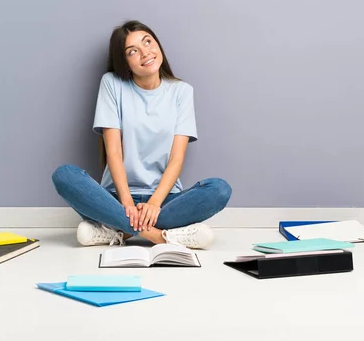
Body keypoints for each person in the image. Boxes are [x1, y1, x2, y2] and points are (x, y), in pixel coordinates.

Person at [51, 20, 232, 249]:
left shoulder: (181, 91)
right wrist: (126, 203)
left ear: (157, 44)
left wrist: (154, 203)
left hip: (165, 201)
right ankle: (161, 236)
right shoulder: (112, 84)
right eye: (132, 51)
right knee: (64, 175)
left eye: (148, 42)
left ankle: (118, 231)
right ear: (125, 62)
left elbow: (177, 158)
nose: (145, 52)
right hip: (115, 198)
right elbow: (114, 152)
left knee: (219, 189)